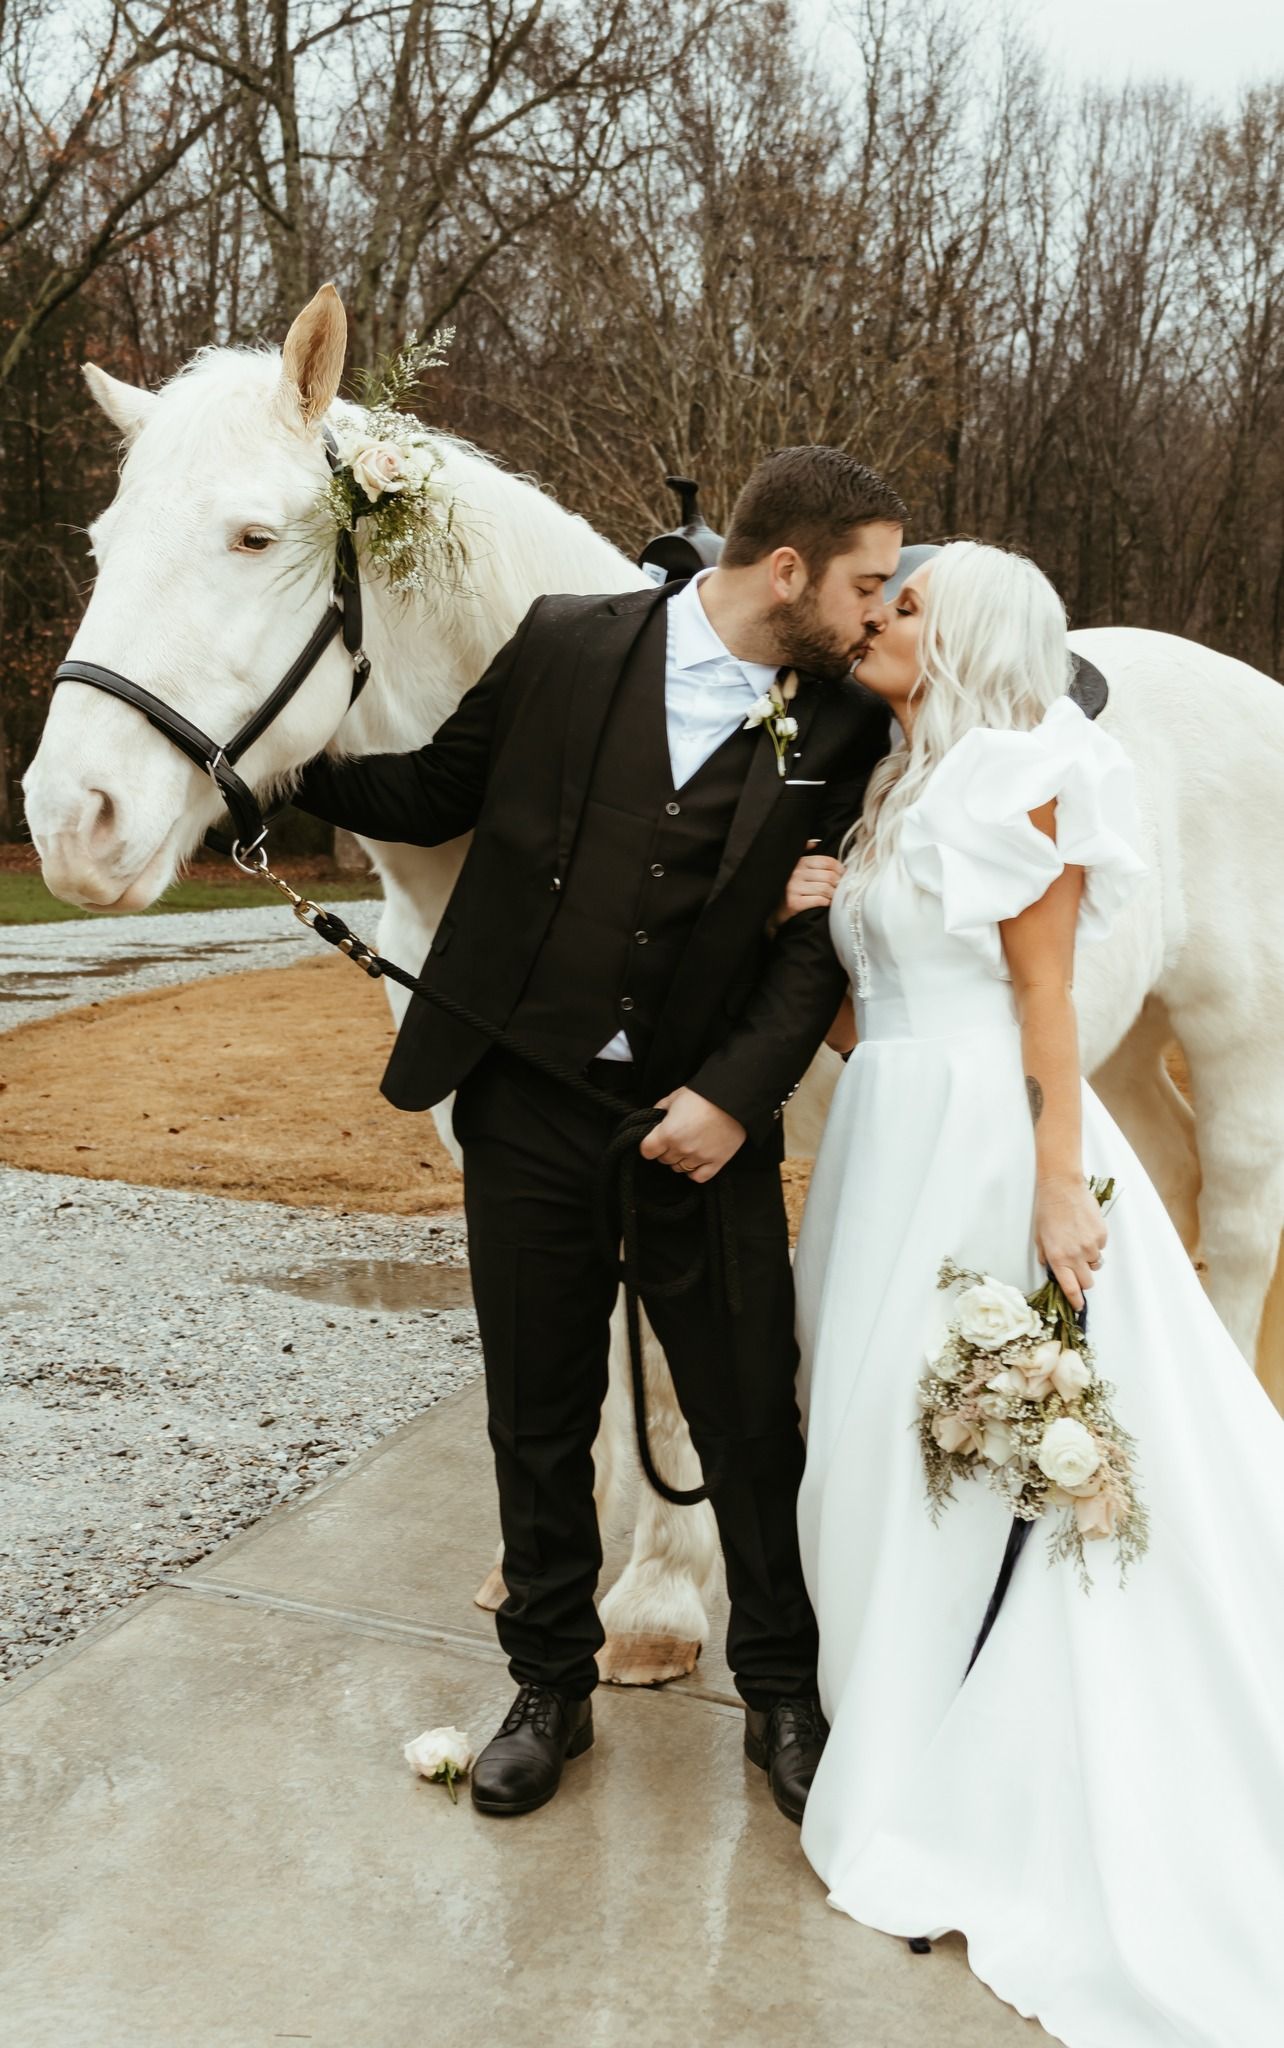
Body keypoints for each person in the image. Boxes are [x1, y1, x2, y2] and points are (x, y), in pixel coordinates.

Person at [289, 445, 906, 1821]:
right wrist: (270, 775)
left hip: (705, 1128)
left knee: (751, 1420)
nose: (882, 609)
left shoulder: (851, 719)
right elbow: (436, 791)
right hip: (526, 1100)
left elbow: (818, 951)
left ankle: (785, 1700)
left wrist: (736, 1098)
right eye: (868, 581)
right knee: (537, 1411)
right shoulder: (568, 643)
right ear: (787, 569)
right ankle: (548, 1690)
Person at [779, 539, 1284, 2044]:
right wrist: (815, 918)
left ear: (973, 627)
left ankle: (945, 1736)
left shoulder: (1024, 773)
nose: (878, 616)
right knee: (864, 1439)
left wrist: (1063, 1185)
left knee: (953, 1448)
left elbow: (1046, 1000)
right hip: (891, 1142)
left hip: (994, 1159)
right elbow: (883, 1027)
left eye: (908, 604)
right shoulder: (899, 784)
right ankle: (890, 1693)